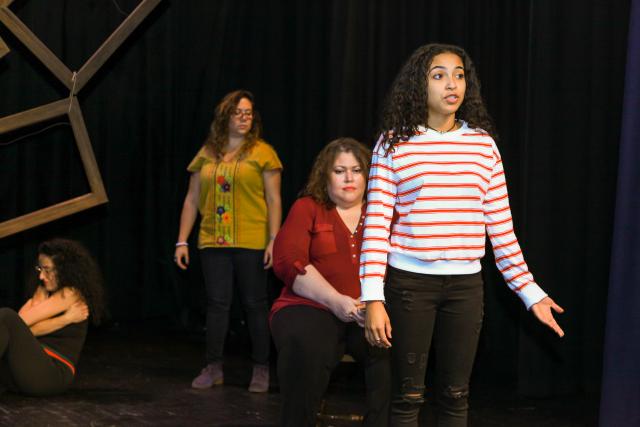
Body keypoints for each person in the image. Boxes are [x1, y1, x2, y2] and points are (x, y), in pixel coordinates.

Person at [359, 43, 565, 426]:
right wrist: (372, 297)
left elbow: (502, 231)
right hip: (409, 286)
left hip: (465, 287)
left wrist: (530, 293)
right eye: (438, 75)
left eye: (459, 75)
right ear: (418, 86)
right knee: (407, 398)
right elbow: (375, 227)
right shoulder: (392, 143)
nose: (451, 84)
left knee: (456, 397)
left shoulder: (483, 146)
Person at [270, 138, 390, 427]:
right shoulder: (307, 207)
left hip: (372, 308)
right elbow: (288, 260)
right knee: (305, 344)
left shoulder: (385, 212)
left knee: (400, 349)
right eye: (339, 171)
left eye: (357, 170)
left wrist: (374, 304)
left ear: (370, 174)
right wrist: (336, 301)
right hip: (310, 305)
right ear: (325, 175)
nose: (349, 178)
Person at [175, 89, 282, 393]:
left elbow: (274, 199)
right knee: (217, 305)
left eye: (248, 112)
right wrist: (181, 241)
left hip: (252, 240)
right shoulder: (207, 153)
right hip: (213, 241)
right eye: (238, 112)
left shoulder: (263, 153)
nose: (244, 118)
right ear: (224, 117)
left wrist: (274, 239)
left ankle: (261, 368)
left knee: (255, 305)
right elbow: (191, 199)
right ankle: (213, 367)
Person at [0, 238, 105, 396]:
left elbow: (18, 323)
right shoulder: (43, 292)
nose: (42, 276)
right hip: (30, 370)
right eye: (40, 269)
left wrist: (60, 318)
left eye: (47, 270)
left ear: (64, 270)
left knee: (6, 315)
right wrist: (65, 318)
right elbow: (19, 329)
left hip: (53, 372)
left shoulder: (71, 293)